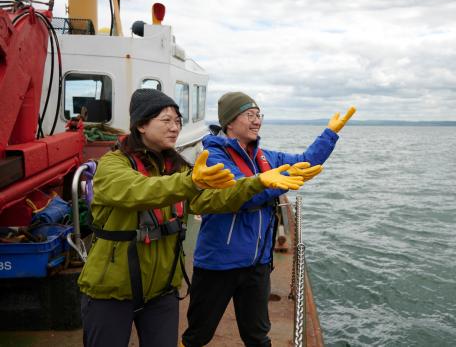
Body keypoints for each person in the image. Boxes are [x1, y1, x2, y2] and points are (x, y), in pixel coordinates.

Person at [77, 88, 306, 347]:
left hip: (161, 292)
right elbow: (140, 191)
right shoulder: (113, 164)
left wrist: (256, 183)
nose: (174, 128)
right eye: (166, 120)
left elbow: (212, 200)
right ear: (141, 125)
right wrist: (192, 181)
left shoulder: (178, 168)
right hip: (111, 290)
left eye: (178, 121)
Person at [181, 91, 356, 347]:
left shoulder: (265, 158)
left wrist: (330, 134)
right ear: (229, 122)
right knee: (198, 334)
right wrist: (269, 182)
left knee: (258, 336)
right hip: (218, 264)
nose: (257, 121)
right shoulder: (213, 157)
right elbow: (239, 194)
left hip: (258, 263)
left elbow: (305, 163)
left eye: (258, 115)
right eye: (249, 115)